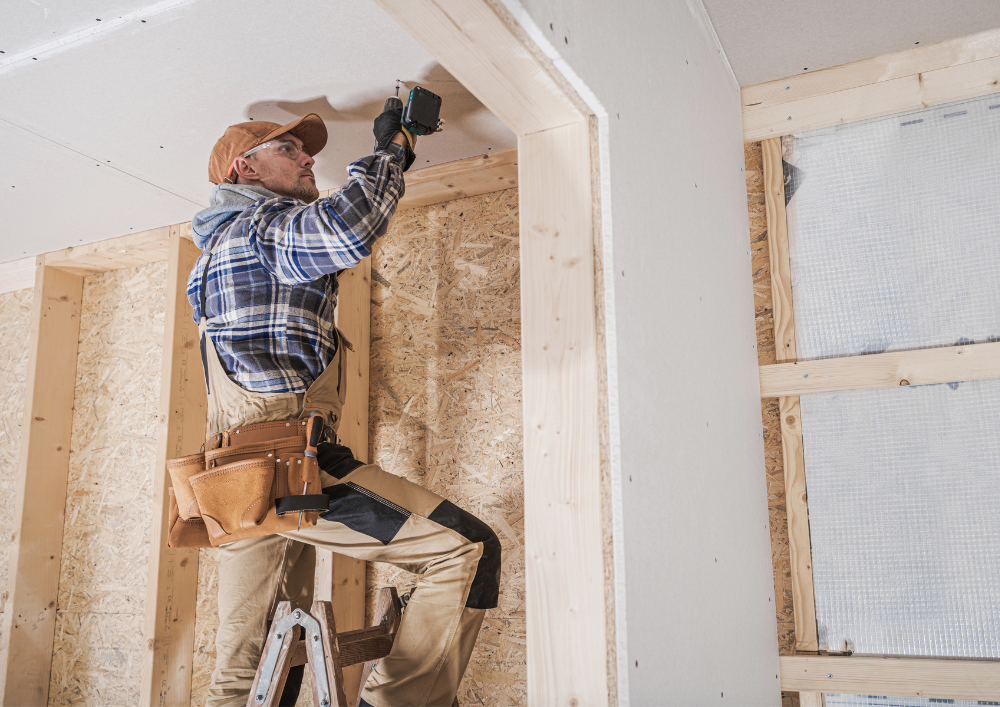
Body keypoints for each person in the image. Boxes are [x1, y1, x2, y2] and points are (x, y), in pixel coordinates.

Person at [188, 109, 500, 707]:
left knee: (252, 671)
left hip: (236, 484)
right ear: (243, 169)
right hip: (289, 466)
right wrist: (394, 149)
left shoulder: (220, 254)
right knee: (466, 549)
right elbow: (346, 228)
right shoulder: (258, 229)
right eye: (289, 150)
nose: (309, 159)